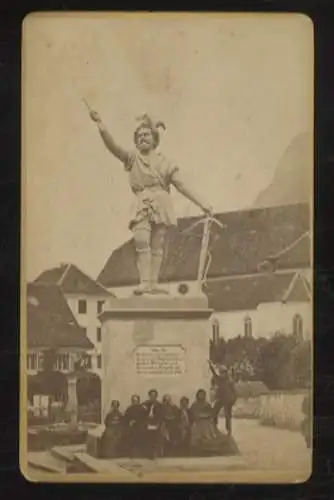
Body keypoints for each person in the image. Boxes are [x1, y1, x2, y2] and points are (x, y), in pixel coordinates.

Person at [88, 110, 213, 295]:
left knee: (157, 245)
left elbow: (182, 185)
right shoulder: (132, 158)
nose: (142, 138)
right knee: (141, 241)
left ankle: (153, 283)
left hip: (161, 203)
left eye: (146, 135)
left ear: (154, 139)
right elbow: (113, 147)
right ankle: (144, 282)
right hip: (141, 202)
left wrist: (203, 203)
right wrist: (100, 124)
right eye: (138, 136)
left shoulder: (165, 163)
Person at [189, 389, 239, 457]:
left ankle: (208, 439)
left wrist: (207, 416)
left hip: (207, 421)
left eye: (202, 394)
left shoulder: (207, 405)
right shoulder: (194, 405)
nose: (201, 396)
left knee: (208, 426)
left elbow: (211, 413)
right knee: (195, 428)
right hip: (198, 422)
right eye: (200, 394)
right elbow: (193, 414)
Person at [209, 361, 237, 435]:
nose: (222, 374)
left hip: (228, 400)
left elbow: (234, 391)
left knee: (227, 415)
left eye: (224, 373)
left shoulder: (229, 381)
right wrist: (210, 366)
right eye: (221, 373)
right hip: (220, 398)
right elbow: (214, 373)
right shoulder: (219, 379)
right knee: (215, 411)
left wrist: (233, 399)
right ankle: (215, 425)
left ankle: (228, 429)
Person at [142, 389, 164, 459]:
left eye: (154, 396)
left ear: (156, 396)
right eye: (151, 396)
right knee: (148, 441)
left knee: (156, 441)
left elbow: (161, 416)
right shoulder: (145, 404)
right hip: (147, 425)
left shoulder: (160, 405)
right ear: (149, 396)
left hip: (156, 425)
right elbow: (141, 416)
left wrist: (158, 424)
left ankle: (157, 455)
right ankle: (149, 455)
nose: (152, 397)